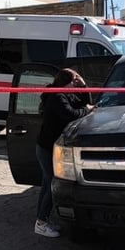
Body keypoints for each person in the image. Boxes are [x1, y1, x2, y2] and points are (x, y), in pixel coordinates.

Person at [34, 68, 94, 238]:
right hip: (46, 149)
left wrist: (84, 86)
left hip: (50, 148)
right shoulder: (57, 97)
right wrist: (87, 110)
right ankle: (41, 222)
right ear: (66, 82)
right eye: (74, 80)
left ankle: (42, 219)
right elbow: (72, 114)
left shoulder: (64, 94)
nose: (76, 83)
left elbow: (81, 102)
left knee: (47, 184)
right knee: (53, 185)